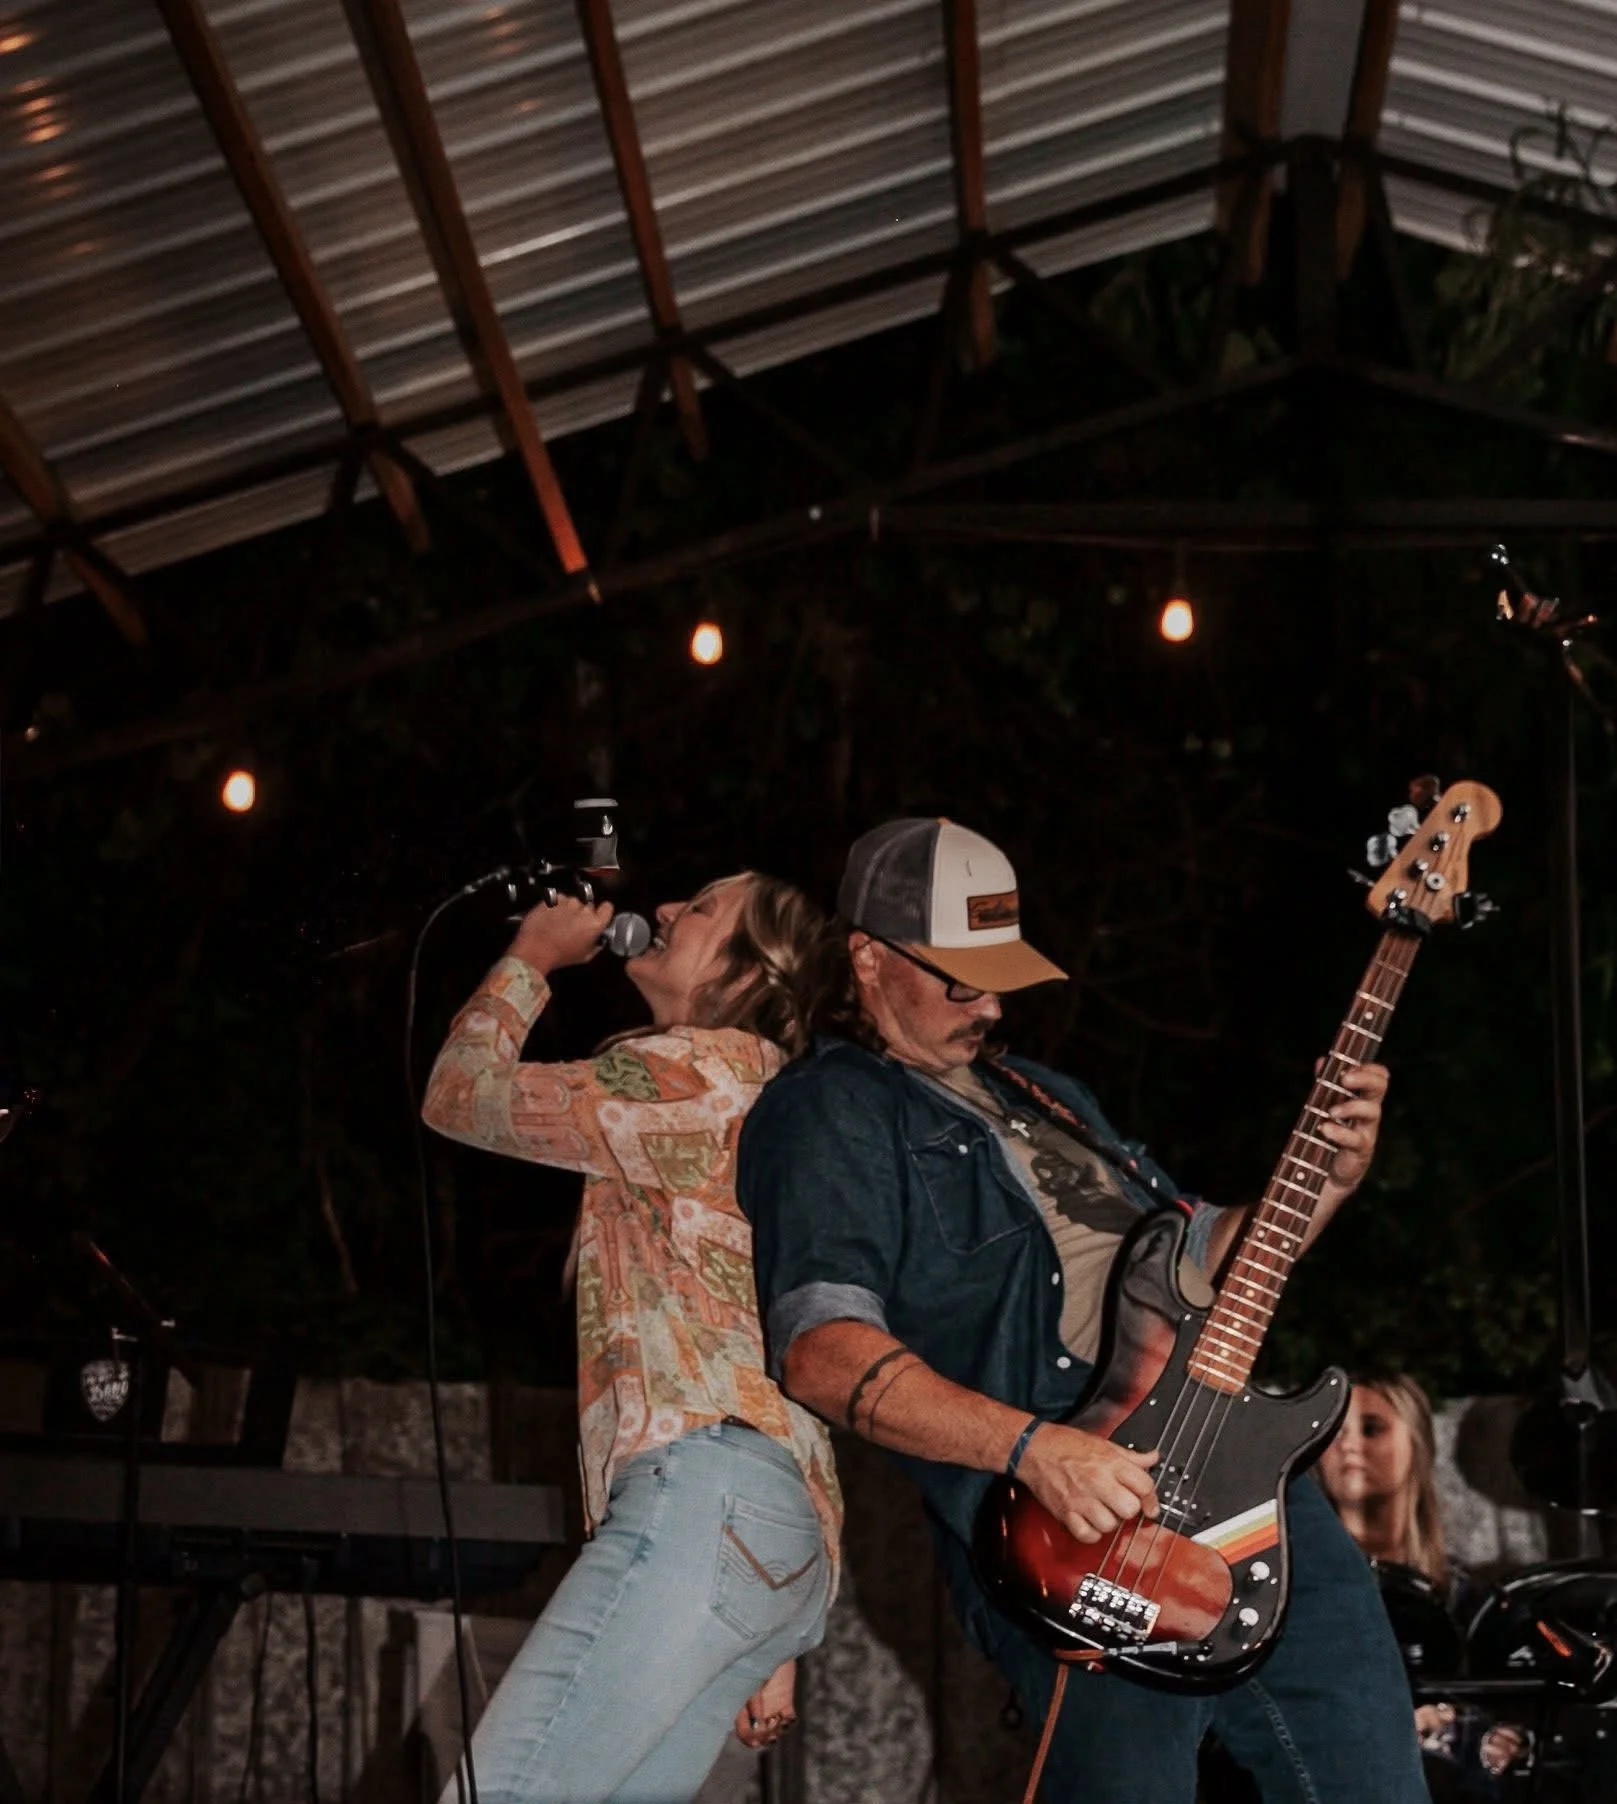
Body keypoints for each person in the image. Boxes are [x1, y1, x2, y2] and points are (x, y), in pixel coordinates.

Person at [738, 816, 1426, 1804]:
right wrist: (1036, 1450)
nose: (989, 1003)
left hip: (1250, 1489)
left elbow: (1199, 1262)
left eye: (999, 975)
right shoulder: (831, 1109)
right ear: (867, 959)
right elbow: (821, 1352)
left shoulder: (1046, 1094)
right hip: (1071, 1521)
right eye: (958, 979)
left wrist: (1326, 1179)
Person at [421, 874, 842, 1804]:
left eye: (701, 910)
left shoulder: (688, 1071)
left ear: (746, 970)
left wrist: (531, 961)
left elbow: (459, 1094)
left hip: (706, 1502)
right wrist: (765, 1618)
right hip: (766, 1527)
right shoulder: (770, 1091)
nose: (670, 909)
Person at [1319, 1376, 1529, 1798]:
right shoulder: (1291, 1590)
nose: (1349, 1445)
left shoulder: (1471, 1600)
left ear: (1415, 1443)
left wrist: (1481, 1737)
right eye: (1333, 1432)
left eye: (1371, 1428)